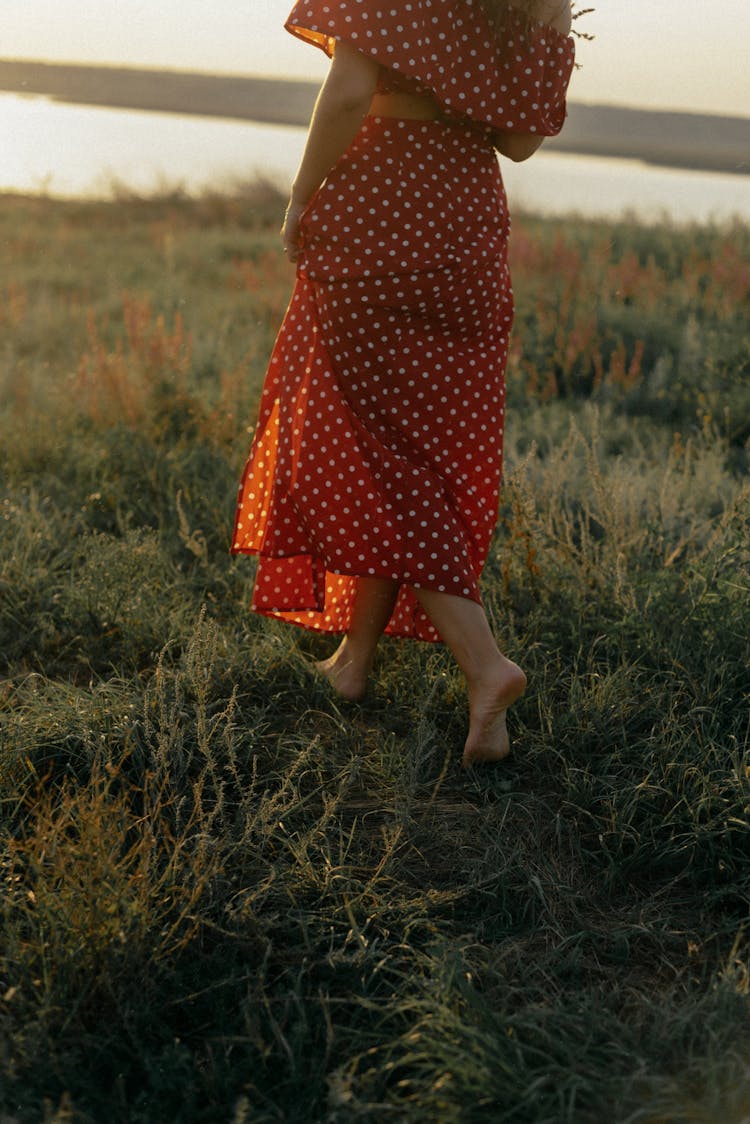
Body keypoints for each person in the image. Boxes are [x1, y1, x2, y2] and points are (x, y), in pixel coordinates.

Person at [232, 0, 575, 766]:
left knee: (378, 455)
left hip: (378, 215)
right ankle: (354, 662)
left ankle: (486, 667)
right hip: (466, 232)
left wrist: (298, 196)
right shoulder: (540, 3)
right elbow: (519, 141)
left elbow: (351, 90)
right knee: (405, 450)